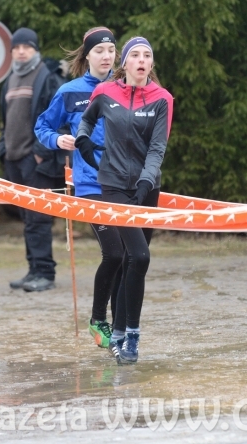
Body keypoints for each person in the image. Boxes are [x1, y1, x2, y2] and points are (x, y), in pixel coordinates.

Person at [76, 36, 173, 365]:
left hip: (148, 187)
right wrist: (83, 139)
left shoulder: (162, 99)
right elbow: (87, 119)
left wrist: (147, 180)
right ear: (125, 63)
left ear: (151, 64)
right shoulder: (105, 92)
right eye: (136, 55)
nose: (142, 60)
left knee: (134, 261)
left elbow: (158, 147)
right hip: (114, 185)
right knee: (140, 256)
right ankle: (132, 335)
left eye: (147, 55)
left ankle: (118, 334)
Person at [34, 26, 125, 348]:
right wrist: (57, 140)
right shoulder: (69, 91)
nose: (106, 56)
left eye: (111, 51)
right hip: (90, 184)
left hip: (124, 183)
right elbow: (42, 126)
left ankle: (120, 325)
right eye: (99, 51)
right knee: (114, 253)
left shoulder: (125, 88)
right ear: (87, 56)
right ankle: (98, 320)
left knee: (130, 256)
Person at [0, 27, 65, 293]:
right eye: (16, 47)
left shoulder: (47, 77)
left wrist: (39, 152)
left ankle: (45, 273)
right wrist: (3, 150)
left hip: (36, 160)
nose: (21, 51)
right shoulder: (10, 79)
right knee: (27, 218)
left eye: (26, 46)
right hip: (14, 159)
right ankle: (33, 270)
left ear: (35, 49)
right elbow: (6, 121)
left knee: (39, 218)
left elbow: (60, 118)